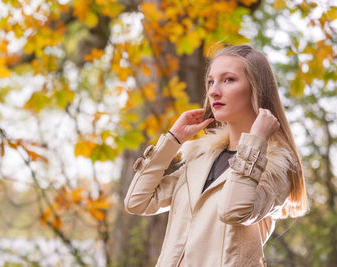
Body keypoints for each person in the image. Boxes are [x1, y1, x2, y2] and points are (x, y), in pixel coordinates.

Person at [124, 44, 307, 267]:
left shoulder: (275, 164)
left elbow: (233, 210)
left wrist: (255, 143)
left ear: (256, 88)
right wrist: (173, 140)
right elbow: (137, 202)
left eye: (228, 79)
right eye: (211, 81)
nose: (213, 91)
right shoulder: (200, 158)